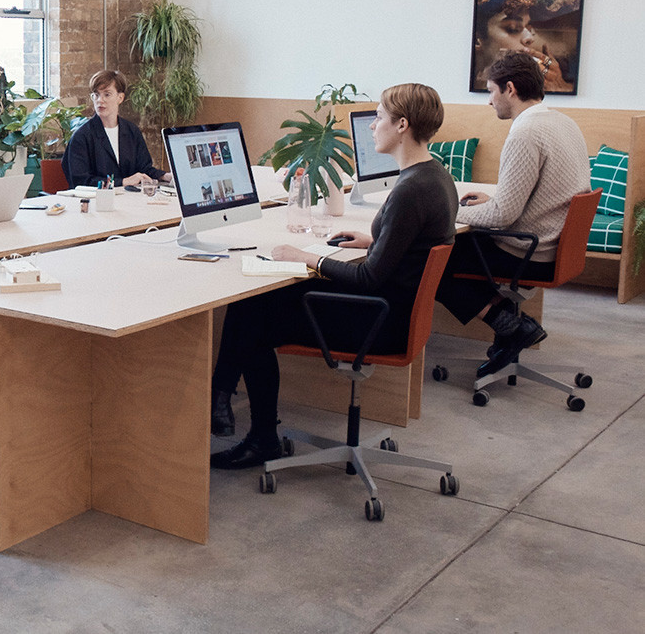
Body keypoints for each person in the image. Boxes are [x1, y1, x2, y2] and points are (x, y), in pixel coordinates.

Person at [210, 84, 457, 468]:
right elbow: (411, 247)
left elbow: (368, 280)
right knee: (261, 305)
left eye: (378, 117)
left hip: (378, 321)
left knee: (253, 310)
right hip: (396, 313)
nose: (373, 126)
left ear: (403, 125)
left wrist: (307, 258)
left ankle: (252, 429)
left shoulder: (410, 190)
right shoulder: (435, 176)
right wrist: (374, 240)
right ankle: (223, 402)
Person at [436, 52, 589, 377]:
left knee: (430, 258)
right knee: (450, 248)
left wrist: (451, 216)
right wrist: (490, 200)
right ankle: (511, 323)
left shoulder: (524, 134)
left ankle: (508, 323)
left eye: (491, 91)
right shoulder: (562, 121)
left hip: (527, 249)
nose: (489, 102)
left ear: (509, 88)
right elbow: (534, 193)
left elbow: (504, 215)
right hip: (553, 243)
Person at [61, 70, 173, 188]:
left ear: (120, 98)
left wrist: (165, 176)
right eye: (96, 95)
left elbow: (144, 169)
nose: (100, 100)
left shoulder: (131, 131)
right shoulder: (82, 136)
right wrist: (123, 182)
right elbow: (81, 181)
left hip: (130, 199)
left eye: (107, 94)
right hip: (98, 202)